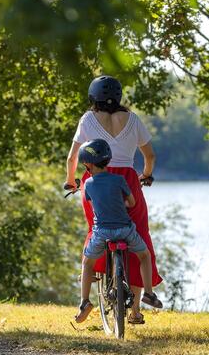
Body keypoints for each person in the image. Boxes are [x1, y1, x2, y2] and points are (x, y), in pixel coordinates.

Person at [65, 75, 162, 325]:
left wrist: (71, 181)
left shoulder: (87, 119)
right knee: (139, 234)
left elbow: (72, 158)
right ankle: (137, 309)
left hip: (96, 180)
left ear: (92, 96)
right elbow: (149, 155)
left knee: (96, 227)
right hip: (128, 181)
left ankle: (92, 278)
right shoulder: (132, 119)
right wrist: (146, 176)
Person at [73, 139, 163, 323]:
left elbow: (94, 207)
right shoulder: (120, 180)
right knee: (144, 255)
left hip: (102, 232)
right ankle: (148, 293)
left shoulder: (88, 184)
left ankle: (84, 302)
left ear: (87, 164)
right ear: (108, 160)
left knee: (87, 263)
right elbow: (132, 203)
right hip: (125, 230)